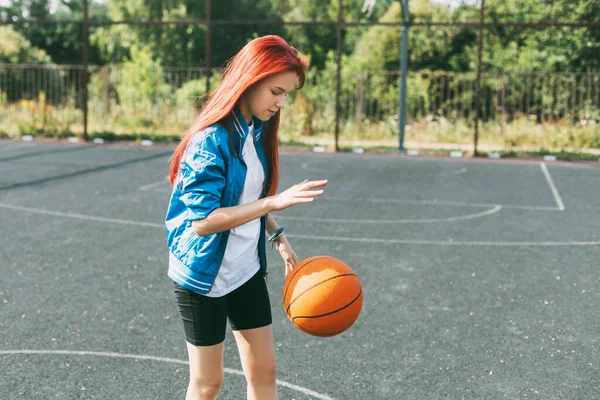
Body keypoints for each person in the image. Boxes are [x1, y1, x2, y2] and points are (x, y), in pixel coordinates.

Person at [165, 35, 328, 400]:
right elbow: (204, 221)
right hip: (201, 273)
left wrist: (278, 238)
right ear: (250, 80)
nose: (281, 102)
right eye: (275, 91)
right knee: (208, 383)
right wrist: (273, 204)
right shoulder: (209, 141)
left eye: (287, 93)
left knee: (264, 371)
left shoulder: (256, 131)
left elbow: (250, 197)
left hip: (245, 269)